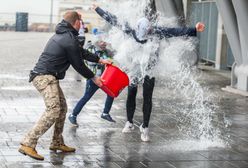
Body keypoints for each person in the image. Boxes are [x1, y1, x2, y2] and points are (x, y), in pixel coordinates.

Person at [92, 5, 205, 142]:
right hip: (135, 67)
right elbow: (114, 20)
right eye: (145, 31)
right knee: (131, 94)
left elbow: (175, 31)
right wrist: (98, 9)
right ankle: (129, 122)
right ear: (139, 29)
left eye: (148, 30)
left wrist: (194, 29)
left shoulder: (156, 32)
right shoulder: (130, 31)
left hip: (149, 69)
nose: (147, 32)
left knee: (147, 97)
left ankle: (145, 127)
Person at [18, 11, 111, 160]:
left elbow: (81, 52)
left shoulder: (67, 36)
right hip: (44, 76)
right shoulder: (68, 38)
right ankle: (28, 143)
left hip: (49, 76)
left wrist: (100, 60)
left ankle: (57, 142)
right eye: (81, 21)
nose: (82, 24)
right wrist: (94, 77)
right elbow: (78, 64)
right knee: (54, 109)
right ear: (76, 22)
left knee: (62, 107)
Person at [68, 39, 116, 126]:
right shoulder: (91, 49)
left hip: (104, 78)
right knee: (86, 97)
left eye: (105, 41)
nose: (104, 43)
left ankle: (105, 113)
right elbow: (89, 62)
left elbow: (113, 59)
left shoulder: (106, 51)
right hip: (93, 78)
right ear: (97, 41)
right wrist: (102, 61)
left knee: (112, 93)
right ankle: (73, 115)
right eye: (102, 41)